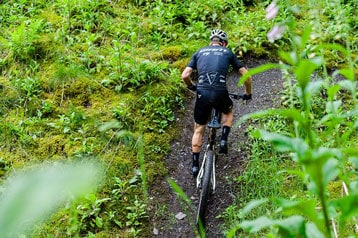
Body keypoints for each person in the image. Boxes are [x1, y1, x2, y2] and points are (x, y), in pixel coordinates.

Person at [181, 29, 252, 177]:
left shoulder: (199, 52)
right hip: (220, 92)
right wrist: (247, 93)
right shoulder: (228, 53)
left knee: (199, 128)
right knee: (228, 111)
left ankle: (195, 165)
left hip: (202, 92)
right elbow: (247, 76)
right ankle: (224, 140)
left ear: (210, 42)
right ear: (224, 43)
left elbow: (185, 75)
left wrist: (192, 86)